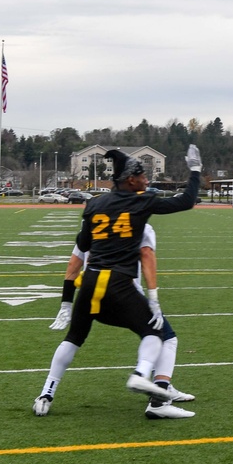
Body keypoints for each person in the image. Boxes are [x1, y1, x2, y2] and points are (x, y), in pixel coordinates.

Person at [33, 145, 203, 417]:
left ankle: (45, 393)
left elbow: (82, 244)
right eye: (142, 175)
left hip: (90, 282)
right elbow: (185, 201)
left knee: (74, 338)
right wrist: (195, 171)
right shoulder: (141, 202)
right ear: (130, 179)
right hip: (119, 283)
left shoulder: (95, 204)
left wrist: (66, 300)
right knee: (157, 333)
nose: (147, 180)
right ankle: (144, 379)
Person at [46, 223, 196, 419]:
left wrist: (66, 304)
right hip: (125, 295)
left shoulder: (95, 222)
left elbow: (73, 264)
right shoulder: (139, 223)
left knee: (74, 337)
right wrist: (153, 298)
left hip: (90, 293)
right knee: (164, 337)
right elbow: (147, 256)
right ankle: (159, 398)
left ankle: (45, 394)